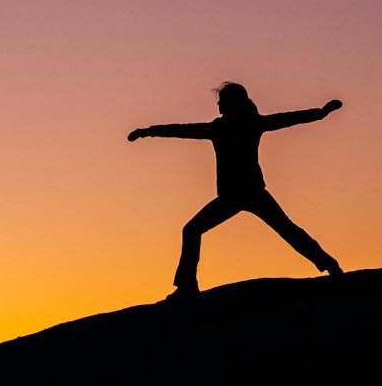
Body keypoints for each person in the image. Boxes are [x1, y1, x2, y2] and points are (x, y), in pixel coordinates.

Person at [127, 82, 343, 301]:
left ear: (232, 103)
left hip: (246, 193)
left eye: (222, 101)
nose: (218, 105)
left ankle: (187, 287)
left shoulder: (238, 126)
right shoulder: (236, 125)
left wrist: (321, 113)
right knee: (196, 230)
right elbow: (181, 130)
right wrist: (147, 132)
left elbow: (287, 118)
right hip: (238, 195)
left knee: (284, 230)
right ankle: (187, 286)